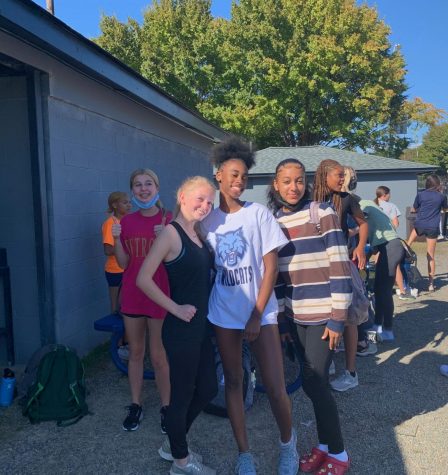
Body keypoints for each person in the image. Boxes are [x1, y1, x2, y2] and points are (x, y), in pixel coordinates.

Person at [201, 137, 299, 475]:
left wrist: (257, 315)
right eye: (232, 175)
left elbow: (270, 268)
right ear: (218, 176)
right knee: (233, 382)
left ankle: (288, 444)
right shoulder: (207, 222)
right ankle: (245, 454)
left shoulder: (258, 215)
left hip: (261, 313)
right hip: (223, 313)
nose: (238, 181)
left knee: (275, 386)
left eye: (243, 176)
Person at [269, 158, 352, 475]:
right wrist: (282, 320)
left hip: (323, 315)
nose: (293, 187)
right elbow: (276, 274)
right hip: (295, 315)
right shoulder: (275, 220)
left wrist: (337, 318)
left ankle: (339, 454)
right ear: (276, 185)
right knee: (309, 383)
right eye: (286, 181)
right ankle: (324, 444)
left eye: (299, 180)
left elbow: (340, 265)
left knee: (317, 383)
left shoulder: (323, 213)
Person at [137, 176, 218, 475]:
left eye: (210, 201)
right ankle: (180, 462)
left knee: (208, 388)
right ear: (182, 196)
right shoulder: (170, 234)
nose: (205, 206)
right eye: (200, 198)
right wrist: (175, 307)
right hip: (181, 329)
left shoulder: (198, 232)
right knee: (181, 395)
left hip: (202, 327)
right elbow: (143, 278)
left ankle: (174, 442)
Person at [111, 169, 171, 432]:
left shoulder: (169, 219)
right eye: (137, 185)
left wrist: (164, 238)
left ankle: (167, 407)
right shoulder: (126, 222)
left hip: (159, 294)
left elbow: (175, 262)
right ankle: (135, 404)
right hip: (133, 296)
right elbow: (124, 263)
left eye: (148, 184)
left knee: (158, 355)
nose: (143, 189)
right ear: (132, 190)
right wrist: (115, 238)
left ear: (157, 187)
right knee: (136, 352)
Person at [313, 161, 368, 392]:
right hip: (319, 265)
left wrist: (360, 247)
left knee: (348, 316)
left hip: (342, 262)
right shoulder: (312, 199)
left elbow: (363, 223)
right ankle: (329, 363)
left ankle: (351, 372)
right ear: (324, 176)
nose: (342, 179)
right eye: (338, 175)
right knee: (326, 313)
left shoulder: (347, 199)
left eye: (343, 175)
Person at [358, 199, 405, 341]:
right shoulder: (375, 212)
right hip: (389, 247)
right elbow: (375, 245)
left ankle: (388, 330)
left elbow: (361, 224)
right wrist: (364, 257)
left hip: (391, 247)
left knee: (384, 290)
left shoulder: (363, 205)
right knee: (379, 289)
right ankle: (378, 326)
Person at [407, 175, 447, 292]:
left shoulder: (420, 195)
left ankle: (402, 272)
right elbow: (445, 209)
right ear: (437, 184)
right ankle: (430, 284)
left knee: (406, 246)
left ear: (427, 184)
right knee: (430, 256)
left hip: (419, 225)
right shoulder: (441, 196)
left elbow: (414, 209)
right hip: (432, 227)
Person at [374, 186, 413, 301]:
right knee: (395, 265)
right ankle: (402, 290)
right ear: (385, 194)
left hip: (377, 238)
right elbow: (396, 223)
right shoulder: (391, 206)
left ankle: (378, 288)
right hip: (390, 239)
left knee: (377, 262)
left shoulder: (372, 204)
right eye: (389, 194)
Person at [102, 191, 131, 313]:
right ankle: (116, 332)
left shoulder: (127, 221)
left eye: (129, 202)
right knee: (116, 308)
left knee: (127, 306)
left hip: (127, 269)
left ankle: (128, 332)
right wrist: (129, 247)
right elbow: (108, 250)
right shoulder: (111, 223)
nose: (129, 205)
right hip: (115, 271)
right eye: (125, 203)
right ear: (114, 205)